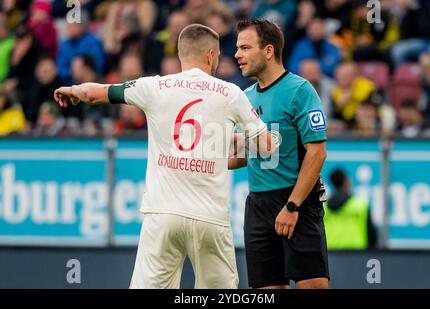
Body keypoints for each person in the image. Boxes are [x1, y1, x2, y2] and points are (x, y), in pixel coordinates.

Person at [54, 24, 275, 289]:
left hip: (163, 215)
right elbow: (265, 147)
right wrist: (229, 143)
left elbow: (94, 93)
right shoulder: (231, 93)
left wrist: (73, 90)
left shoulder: (155, 87)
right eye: (216, 55)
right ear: (209, 56)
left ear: (182, 54)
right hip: (210, 219)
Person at [233, 18, 329, 289]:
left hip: (294, 200)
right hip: (257, 205)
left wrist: (292, 206)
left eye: (244, 47)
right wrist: (202, 159)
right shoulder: (245, 97)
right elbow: (247, 154)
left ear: (268, 50)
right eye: (237, 48)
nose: (237, 55)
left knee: (312, 286)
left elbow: (317, 153)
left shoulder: (300, 90)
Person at [324, 168, 377, 249]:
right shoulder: (360, 206)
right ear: (346, 181)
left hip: (331, 255)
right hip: (356, 256)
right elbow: (372, 237)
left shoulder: (323, 209)